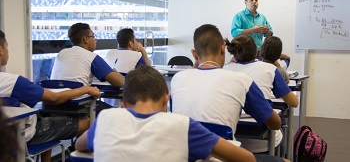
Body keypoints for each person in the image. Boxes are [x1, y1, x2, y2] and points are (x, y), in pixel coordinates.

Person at [75, 65, 256, 162]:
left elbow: (79, 146)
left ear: (123, 104)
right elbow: (247, 159)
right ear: (166, 99)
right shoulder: (182, 126)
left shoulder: (105, 120)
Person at [171, 24, 287, 162]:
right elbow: (275, 124)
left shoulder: (177, 79)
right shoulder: (242, 81)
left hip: (183, 156)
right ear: (222, 48)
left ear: (194, 54)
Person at [0, 30, 101, 162]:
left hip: (7, 136)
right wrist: (86, 89)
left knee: (46, 115)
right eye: (7, 46)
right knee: (90, 121)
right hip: (29, 133)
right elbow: (55, 98)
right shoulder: (13, 82)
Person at [223, 34, 298, 153]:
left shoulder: (224, 70)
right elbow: (293, 102)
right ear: (256, 51)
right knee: (280, 131)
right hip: (261, 141)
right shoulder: (269, 68)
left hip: (228, 142)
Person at [51, 22, 124, 87]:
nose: (95, 40)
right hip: (76, 100)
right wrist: (116, 73)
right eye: (93, 37)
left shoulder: (62, 53)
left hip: (53, 98)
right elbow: (119, 82)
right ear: (85, 39)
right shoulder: (91, 57)